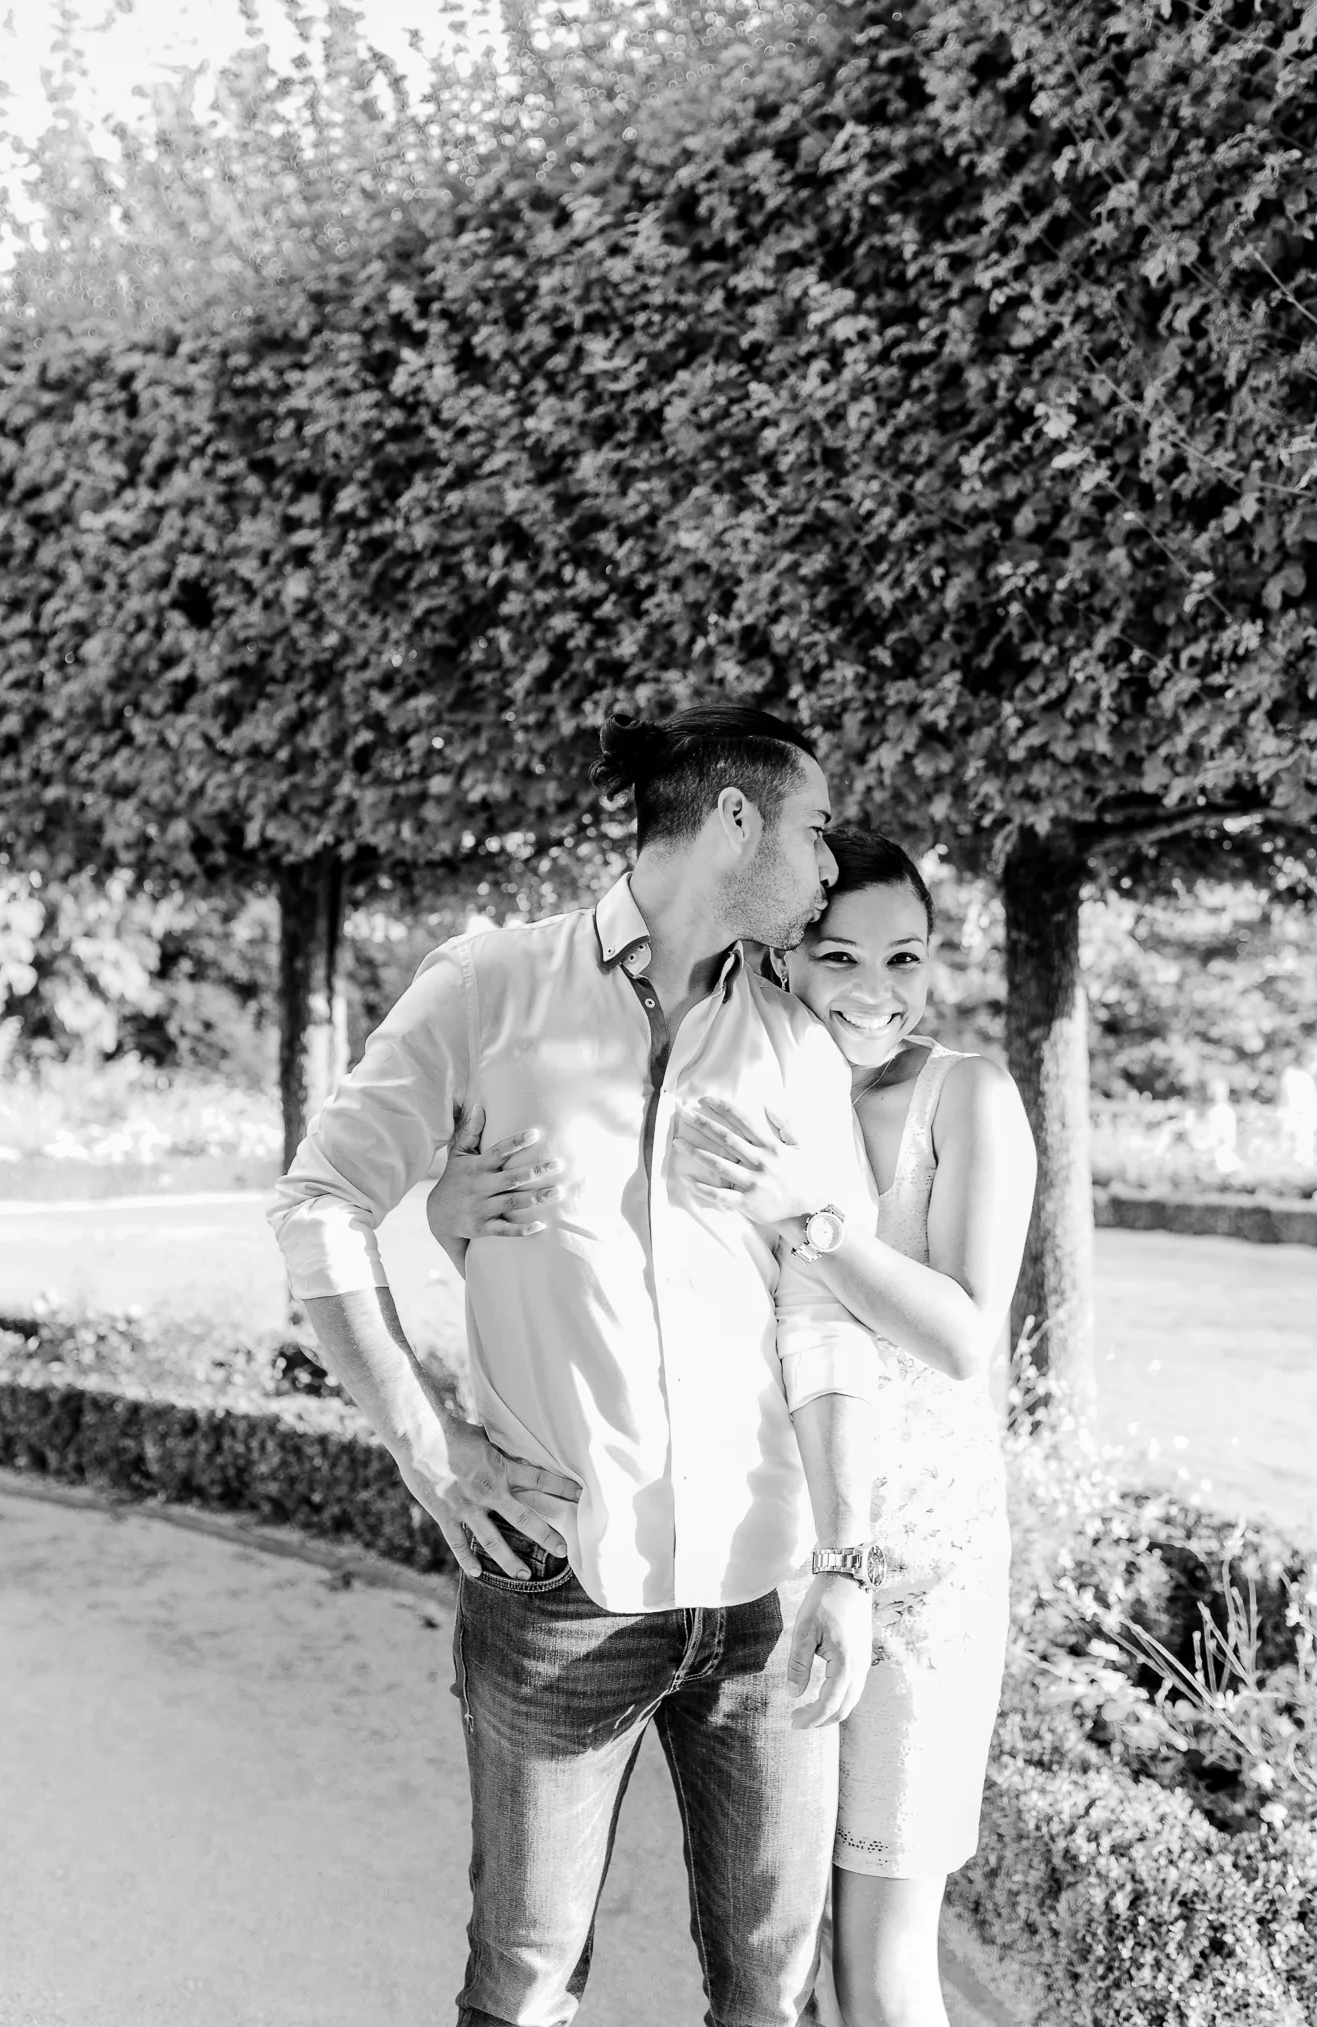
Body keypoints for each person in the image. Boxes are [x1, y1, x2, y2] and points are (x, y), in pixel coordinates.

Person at [269, 704, 887, 2027]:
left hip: (765, 1594)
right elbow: (322, 1202)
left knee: (772, 1997)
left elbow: (827, 1316)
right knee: (526, 1988)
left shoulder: (792, 1043)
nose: (832, 868)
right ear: (734, 818)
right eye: (818, 831)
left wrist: (848, 1561)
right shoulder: (488, 984)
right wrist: (429, 1450)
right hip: (557, 1581)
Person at [434, 829, 1035, 2027]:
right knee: (782, 1958)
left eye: (905, 957)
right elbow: (595, 1263)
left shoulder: (964, 1094)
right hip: (769, 1547)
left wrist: (805, 1218)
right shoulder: (739, 1076)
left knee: (878, 1954)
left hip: (909, 1560)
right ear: (778, 956)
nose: (875, 990)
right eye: (838, 955)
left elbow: (967, 1342)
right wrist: (454, 1209)